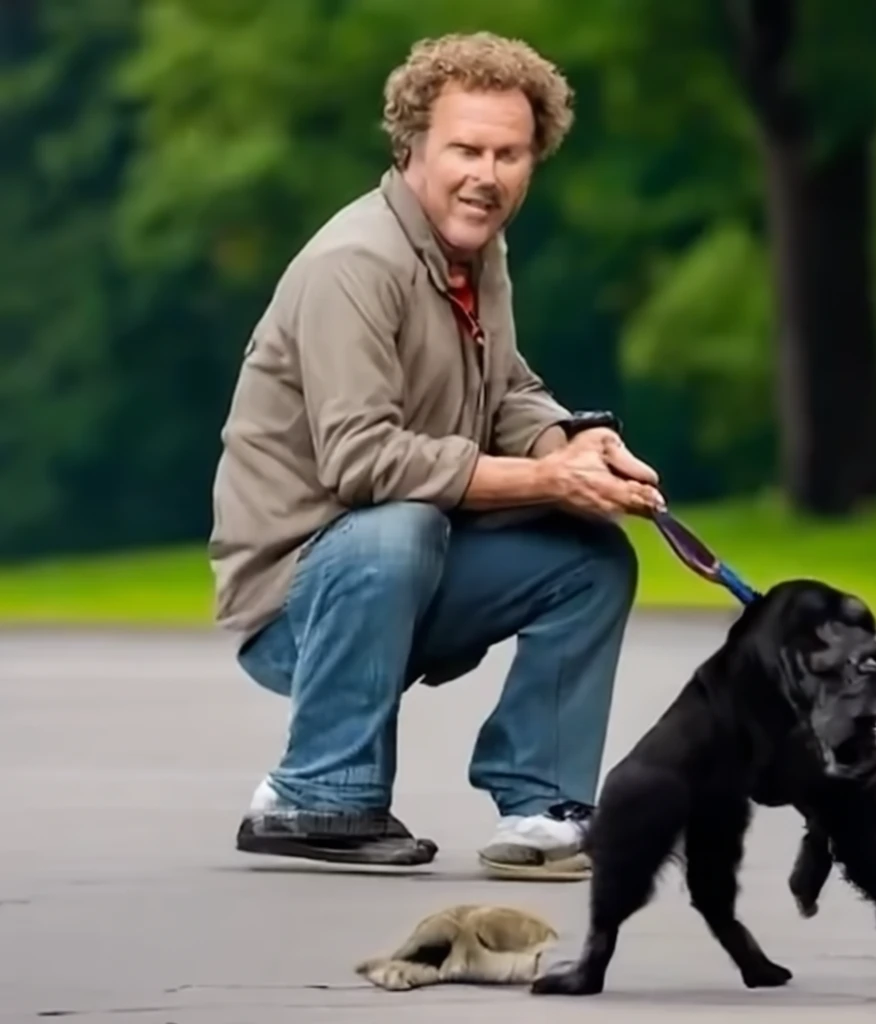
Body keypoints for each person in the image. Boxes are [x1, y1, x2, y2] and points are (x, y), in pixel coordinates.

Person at [208, 31, 666, 880]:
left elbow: (509, 389)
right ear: (412, 145)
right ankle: (317, 792)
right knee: (399, 524)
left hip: (402, 576)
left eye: (509, 153)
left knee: (591, 559)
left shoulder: (475, 252)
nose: (485, 175)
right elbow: (362, 464)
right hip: (296, 609)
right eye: (465, 149)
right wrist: (543, 479)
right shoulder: (355, 263)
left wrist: (570, 443)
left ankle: (543, 809)